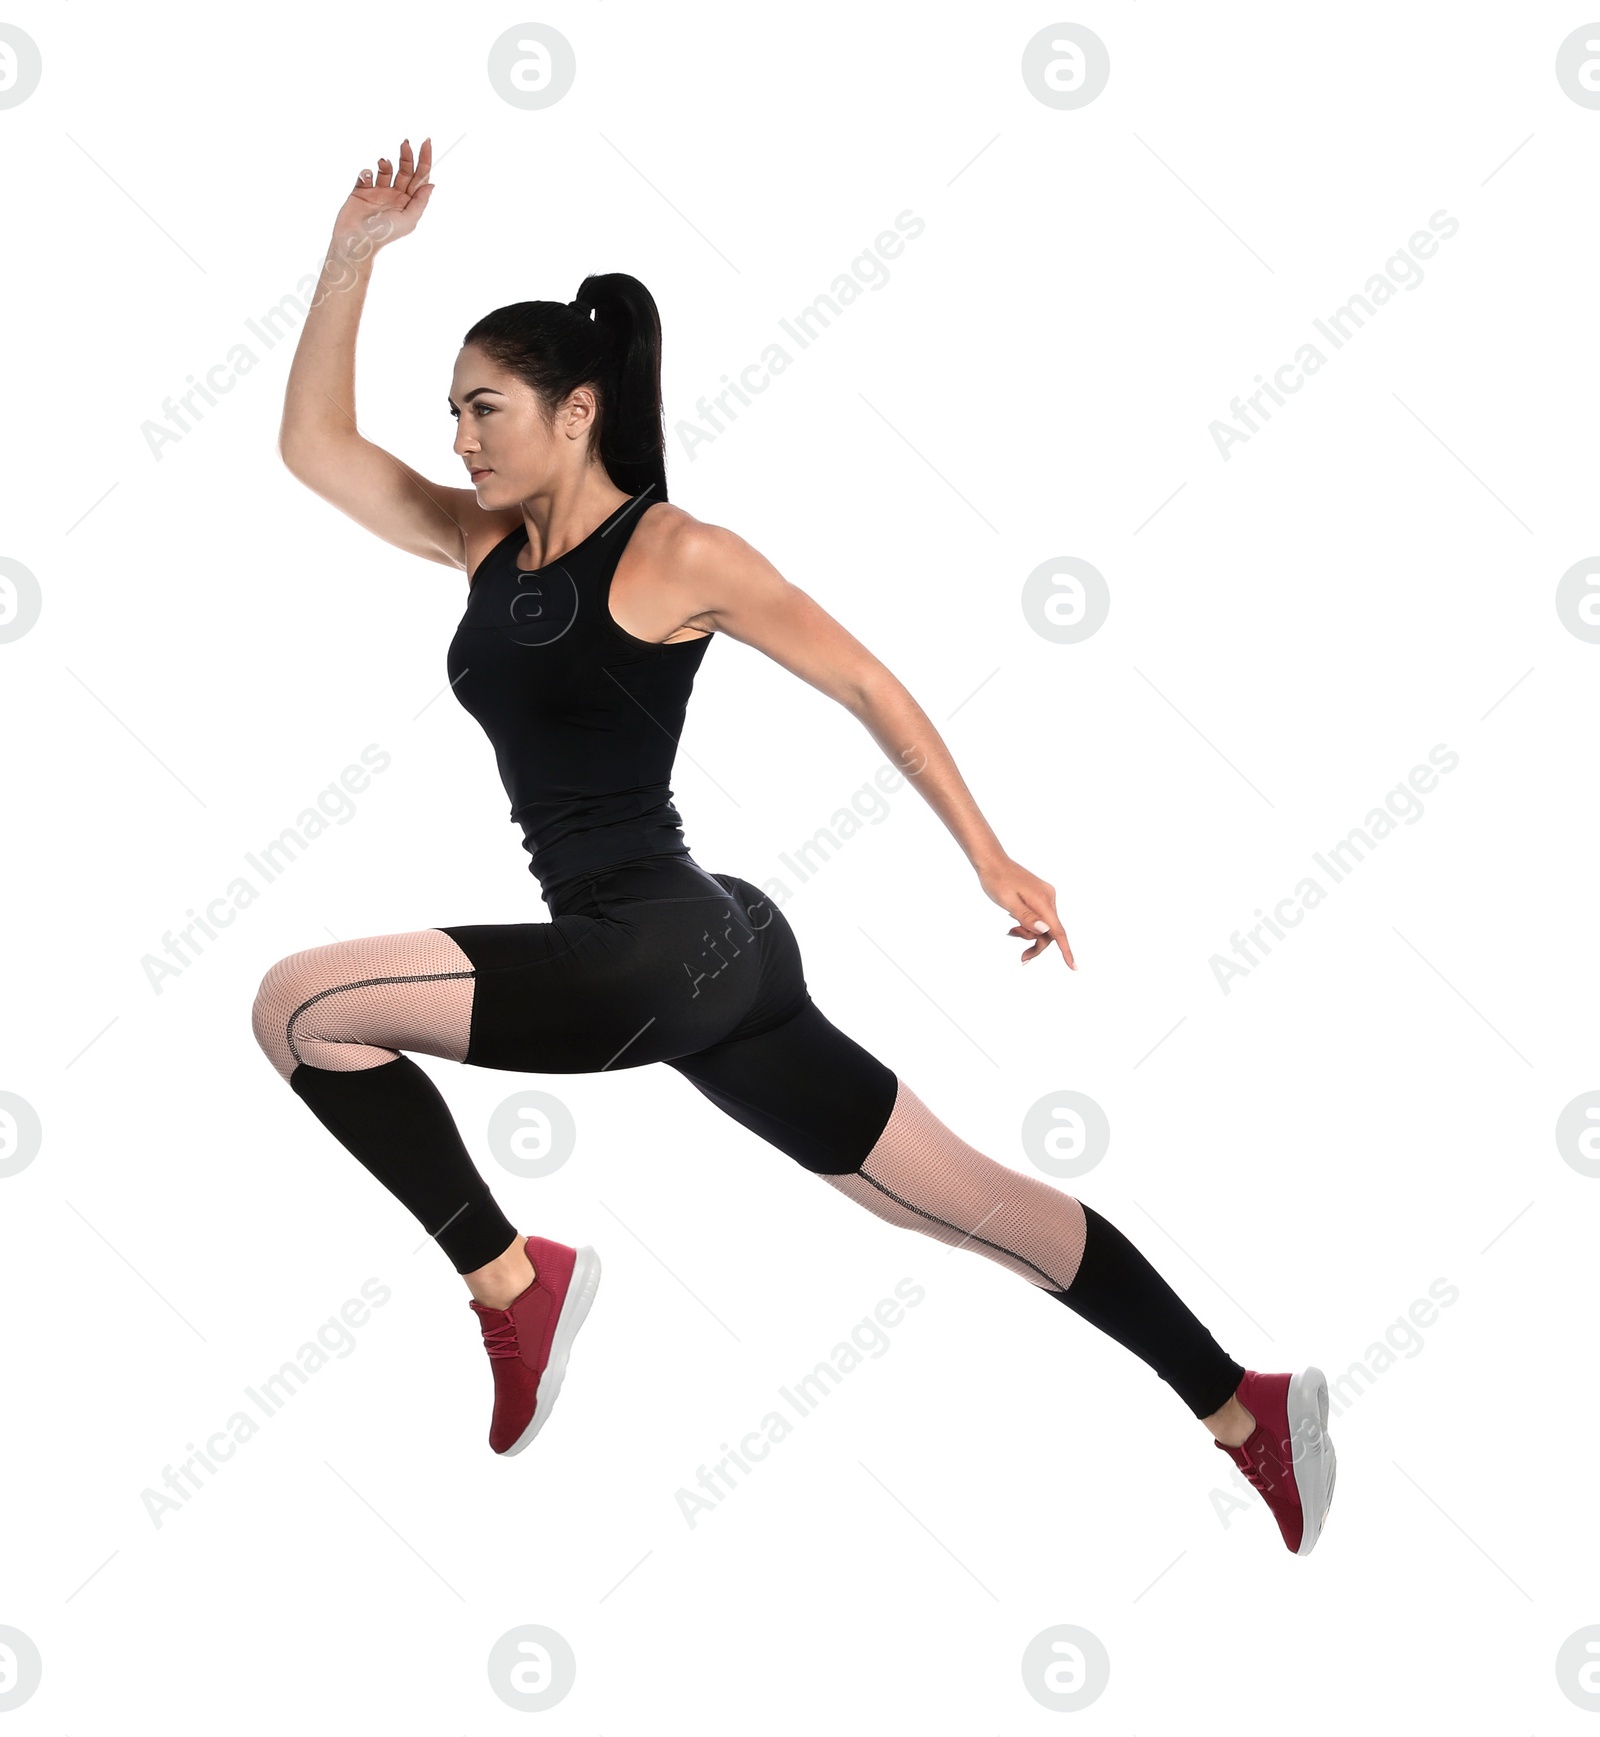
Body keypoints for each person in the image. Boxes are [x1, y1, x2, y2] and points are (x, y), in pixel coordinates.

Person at [253, 138, 1335, 1556]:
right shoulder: (481, 547)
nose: (460, 439)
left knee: (300, 1005)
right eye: (452, 412)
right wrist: (353, 258)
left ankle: (512, 1284)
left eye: (484, 410)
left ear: (576, 413)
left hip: (650, 948)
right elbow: (312, 450)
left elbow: (867, 680)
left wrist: (989, 855)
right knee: (959, 1208)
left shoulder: (678, 552)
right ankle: (1249, 1409)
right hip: (711, 951)